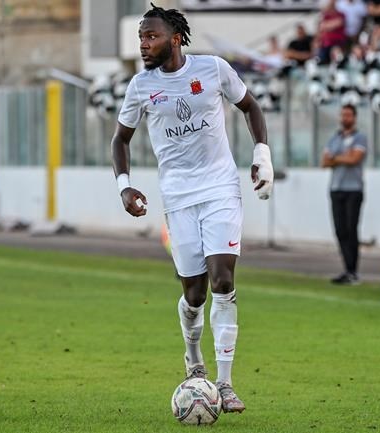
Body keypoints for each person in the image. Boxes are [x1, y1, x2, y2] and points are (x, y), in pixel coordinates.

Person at [110, 3, 273, 414]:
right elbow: (120, 140)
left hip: (220, 189)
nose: (145, 45)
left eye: (152, 37)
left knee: (222, 279)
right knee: (195, 293)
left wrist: (262, 155)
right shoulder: (140, 86)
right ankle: (193, 359)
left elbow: (251, 106)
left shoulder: (213, 69)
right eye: (142, 38)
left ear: (176, 38)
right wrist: (125, 187)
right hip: (178, 197)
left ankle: (225, 381)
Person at [321, 104, 367, 285]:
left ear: (354, 118)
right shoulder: (335, 138)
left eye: (348, 115)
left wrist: (336, 158)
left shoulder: (360, 138)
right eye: (343, 115)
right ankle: (347, 269)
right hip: (336, 188)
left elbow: (355, 159)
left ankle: (353, 270)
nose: (345, 118)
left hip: (353, 189)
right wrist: (343, 157)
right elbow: (324, 162)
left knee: (351, 229)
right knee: (340, 230)